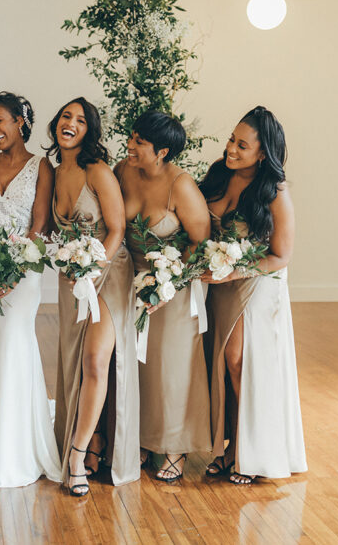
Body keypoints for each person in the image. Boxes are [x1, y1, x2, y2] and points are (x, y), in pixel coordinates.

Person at [0, 92, 62, 487]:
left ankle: (11, 452)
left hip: (22, 276)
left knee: (11, 350)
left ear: (20, 121)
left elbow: (40, 226)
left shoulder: (42, 166)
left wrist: (13, 273)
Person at [200, 106, 306, 485]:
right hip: (219, 282)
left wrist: (233, 270)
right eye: (231, 139)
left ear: (263, 154)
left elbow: (281, 255)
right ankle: (226, 445)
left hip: (257, 281)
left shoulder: (274, 191)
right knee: (218, 361)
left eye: (242, 145)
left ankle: (249, 452)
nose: (231, 149)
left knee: (237, 358)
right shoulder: (216, 176)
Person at [114, 110, 211, 482]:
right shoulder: (124, 170)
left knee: (171, 369)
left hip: (174, 289)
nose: (131, 145)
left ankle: (174, 447)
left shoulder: (180, 187)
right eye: (133, 137)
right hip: (131, 282)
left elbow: (200, 245)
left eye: (140, 142)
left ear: (162, 152)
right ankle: (140, 438)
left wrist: (167, 282)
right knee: (138, 368)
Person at [49, 97, 139, 497]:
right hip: (72, 278)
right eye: (66, 117)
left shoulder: (98, 171)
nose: (70, 124)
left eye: (80, 120)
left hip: (107, 273)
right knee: (74, 364)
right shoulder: (52, 174)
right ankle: (94, 442)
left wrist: (94, 269)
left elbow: (116, 229)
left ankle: (76, 452)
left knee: (96, 361)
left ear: (90, 131)